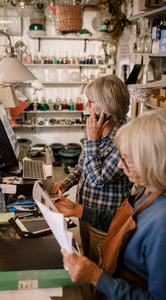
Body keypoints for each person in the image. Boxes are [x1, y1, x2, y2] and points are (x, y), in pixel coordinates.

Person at [53, 109, 166, 300]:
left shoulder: (162, 224)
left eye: (127, 160)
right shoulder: (149, 189)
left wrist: (97, 277)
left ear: (153, 162)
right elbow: (124, 224)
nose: (120, 166)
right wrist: (77, 210)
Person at [50, 75, 133, 262]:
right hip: (84, 212)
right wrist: (66, 183)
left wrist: (93, 141)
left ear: (107, 106)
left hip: (104, 222)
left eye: (92, 100)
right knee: (87, 260)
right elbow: (82, 166)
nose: (86, 104)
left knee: (100, 271)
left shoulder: (125, 138)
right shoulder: (98, 127)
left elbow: (98, 180)